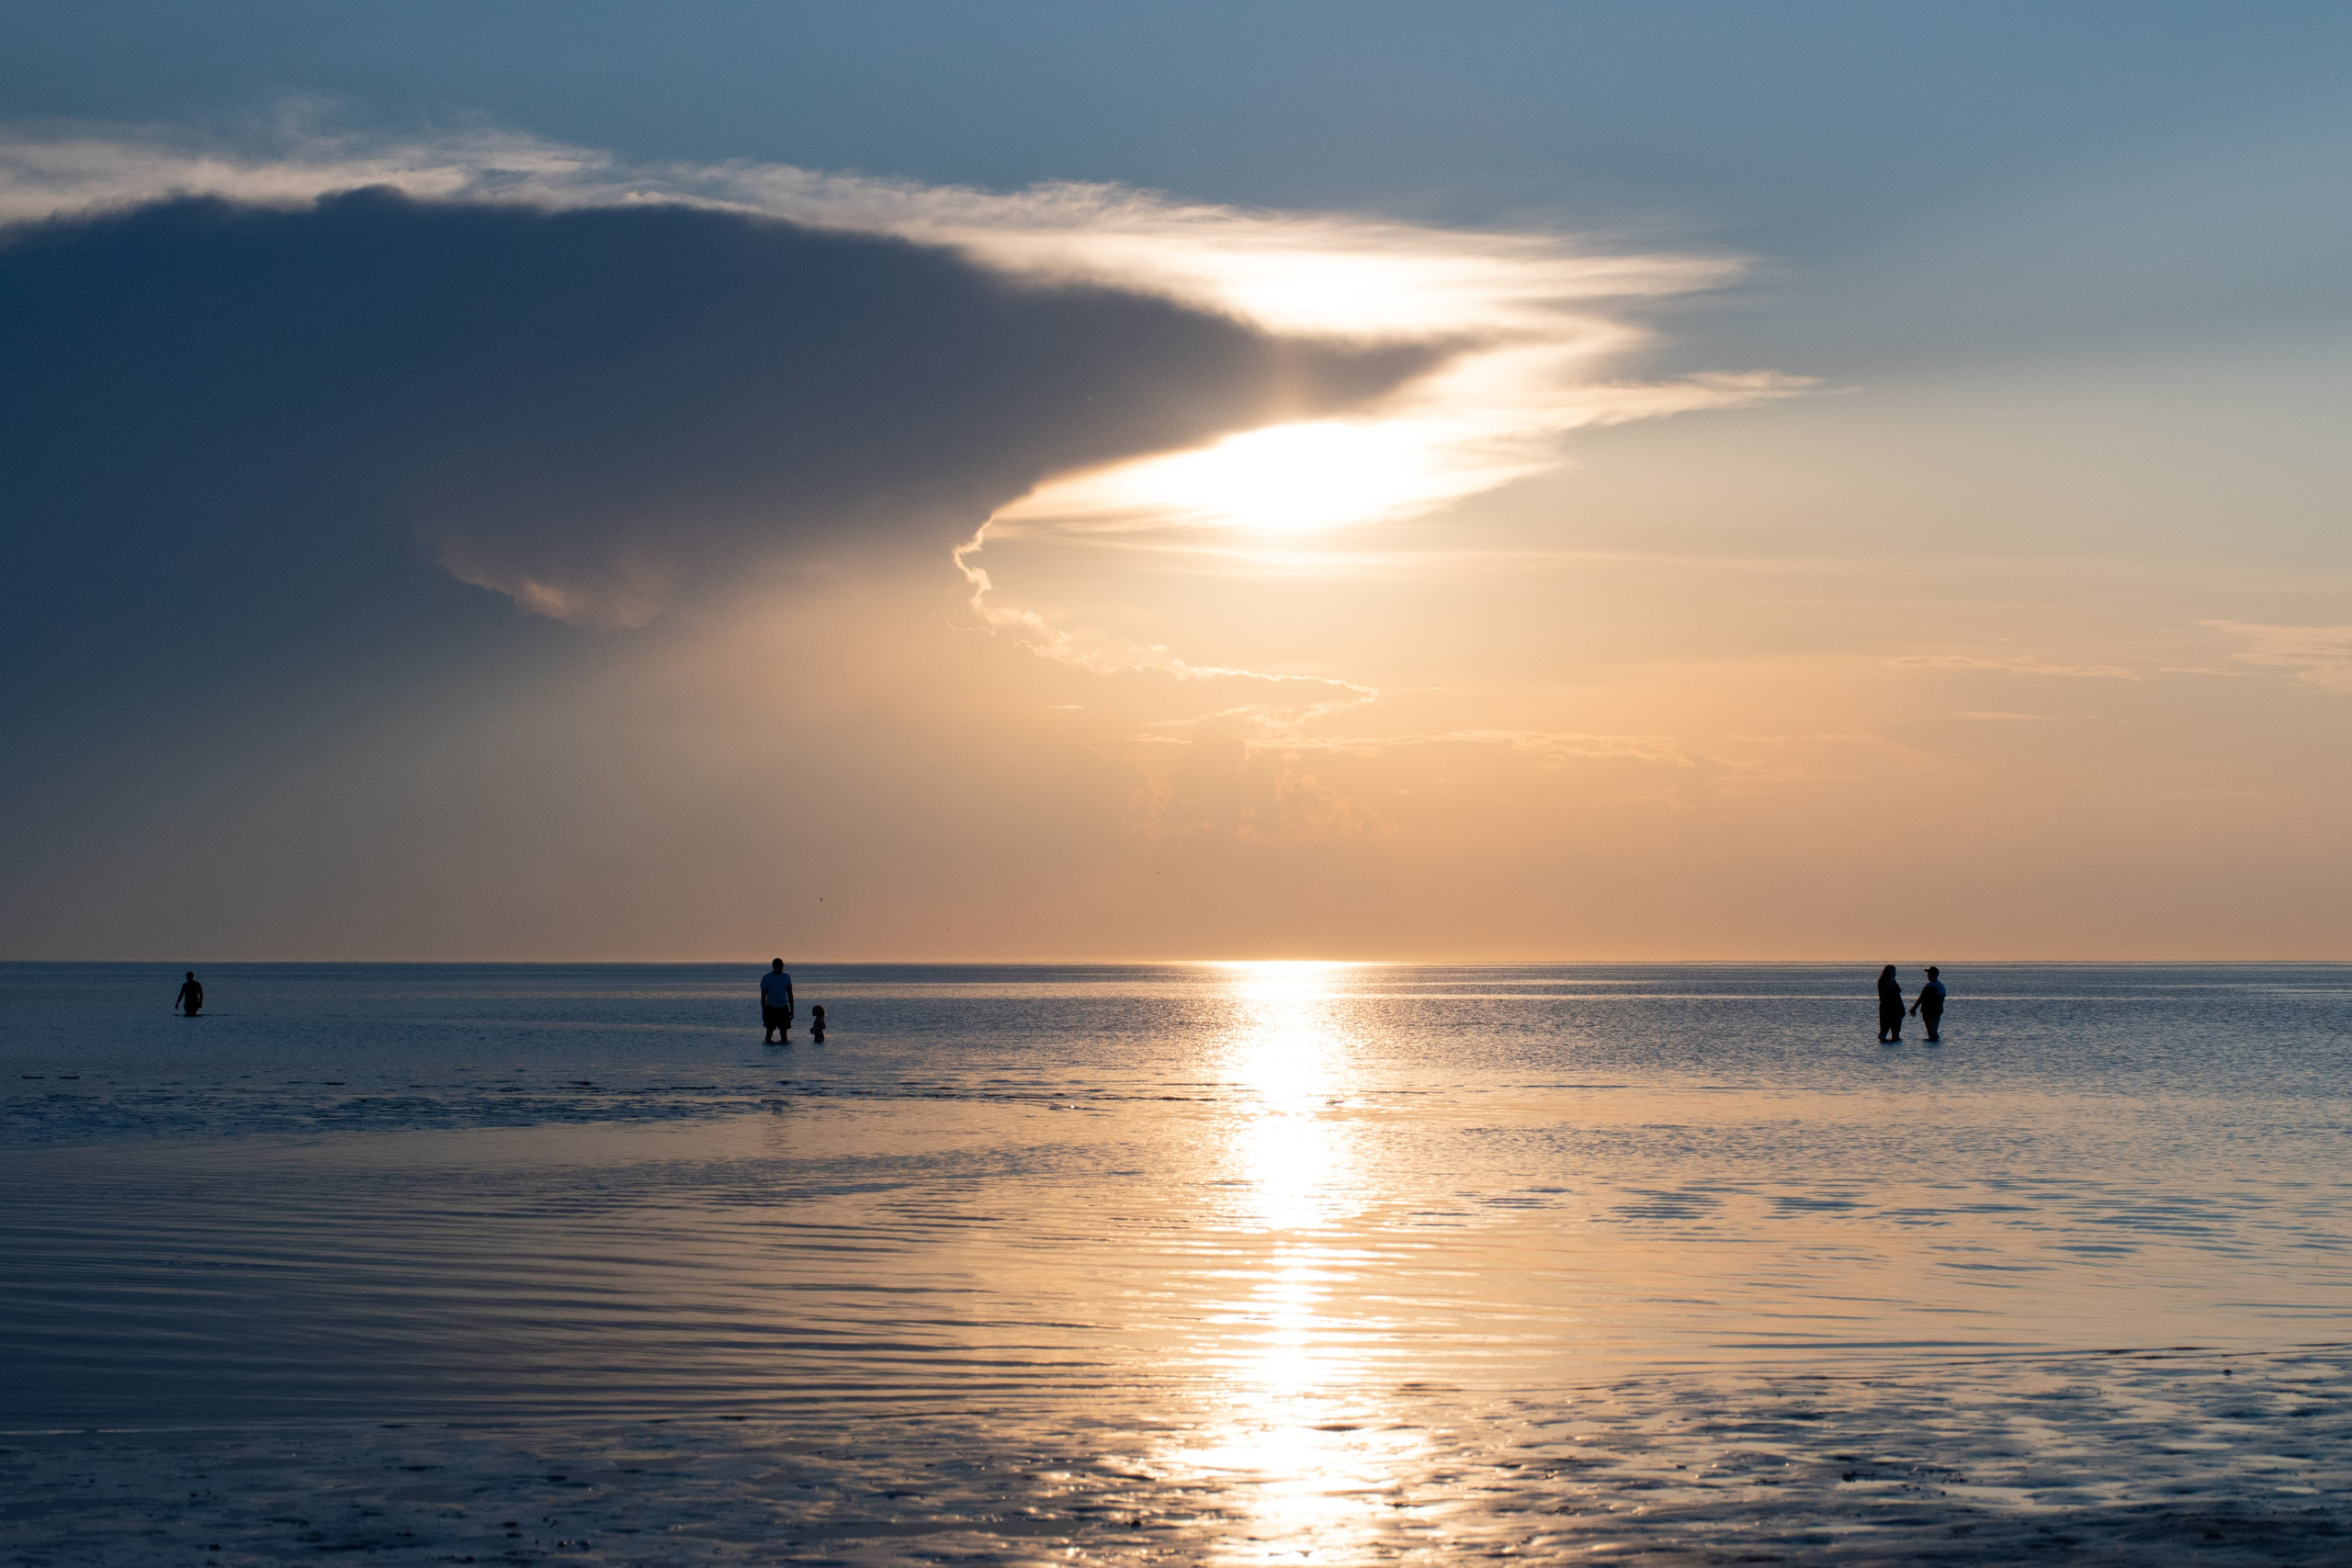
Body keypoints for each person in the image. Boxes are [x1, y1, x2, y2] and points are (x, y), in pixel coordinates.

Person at [759, 959, 795, 1043]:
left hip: (783, 1007)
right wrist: (764, 1012)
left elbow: (790, 994)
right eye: (779, 967)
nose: (780, 969)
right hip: (771, 1007)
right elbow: (763, 997)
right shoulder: (767, 978)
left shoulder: (786, 977)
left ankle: (783, 1049)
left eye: (781, 967)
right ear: (774, 966)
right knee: (769, 1031)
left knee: (784, 1033)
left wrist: (792, 1010)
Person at [1909, 965, 1947, 1043]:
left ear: (1935, 975)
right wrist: (1914, 1008)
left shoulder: (1939, 985)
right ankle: (1932, 1041)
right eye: (1928, 974)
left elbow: (1942, 997)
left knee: (1933, 1029)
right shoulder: (1927, 986)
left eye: (1930, 974)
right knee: (1929, 1030)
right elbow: (1921, 998)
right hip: (1926, 1010)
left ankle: (1935, 1042)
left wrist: (1940, 1007)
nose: (1928, 975)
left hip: (1934, 1010)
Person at [1875, 964, 1904, 1042]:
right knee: (1884, 1030)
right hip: (1887, 1009)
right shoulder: (1883, 982)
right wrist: (1891, 975)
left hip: (1896, 1009)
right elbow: (1888, 986)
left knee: (1896, 1032)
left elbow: (1898, 992)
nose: (1895, 974)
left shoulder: (1893, 981)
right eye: (1893, 972)